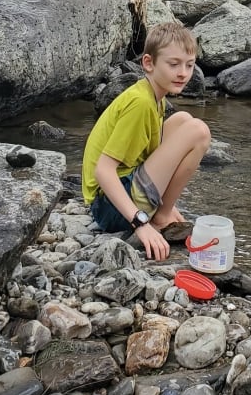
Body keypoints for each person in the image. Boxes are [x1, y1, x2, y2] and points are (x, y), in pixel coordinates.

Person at [82, 21, 211, 261]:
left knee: (182, 119)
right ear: (149, 63)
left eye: (189, 65)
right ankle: (160, 217)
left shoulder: (154, 98)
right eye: (173, 64)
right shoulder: (140, 103)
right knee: (198, 131)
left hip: (113, 198)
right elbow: (103, 170)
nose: (183, 73)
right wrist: (140, 223)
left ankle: (163, 209)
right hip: (109, 209)